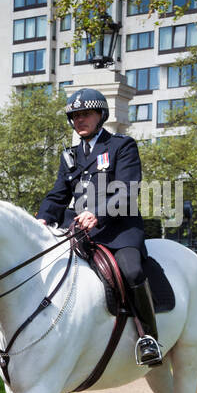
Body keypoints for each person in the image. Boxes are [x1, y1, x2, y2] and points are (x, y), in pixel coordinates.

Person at [37, 88, 163, 366]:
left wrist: (98, 213)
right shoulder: (69, 155)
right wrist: (43, 218)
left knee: (132, 270)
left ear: (101, 116)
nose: (79, 120)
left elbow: (128, 190)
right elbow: (58, 195)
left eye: (86, 114)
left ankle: (149, 338)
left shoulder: (121, 146)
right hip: (80, 229)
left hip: (118, 229)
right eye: (75, 116)